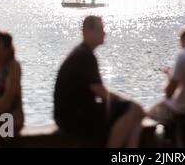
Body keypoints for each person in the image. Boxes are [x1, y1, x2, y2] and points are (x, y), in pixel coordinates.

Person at [54, 16, 144, 148]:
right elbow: (101, 92)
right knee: (134, 109)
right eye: (100, 29)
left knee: (135, 114)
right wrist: (127, 102)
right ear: (87, 31)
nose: (104, 33)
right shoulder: (85, 56)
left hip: (69, 115)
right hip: (73, 117)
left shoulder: (81, 52)